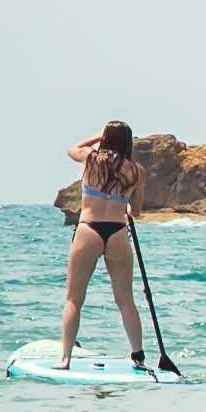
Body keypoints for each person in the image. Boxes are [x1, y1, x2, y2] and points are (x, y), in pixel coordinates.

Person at [56, 121, 146, 365]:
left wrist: (96, 137)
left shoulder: (90, 158)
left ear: (105, 139)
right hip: (117, 232)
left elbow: (72, 148)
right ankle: (138, 357)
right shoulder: (137, 171)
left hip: (88, 230)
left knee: (74, 298)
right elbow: (136, 211)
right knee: (126, 299)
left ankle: (66, 358)